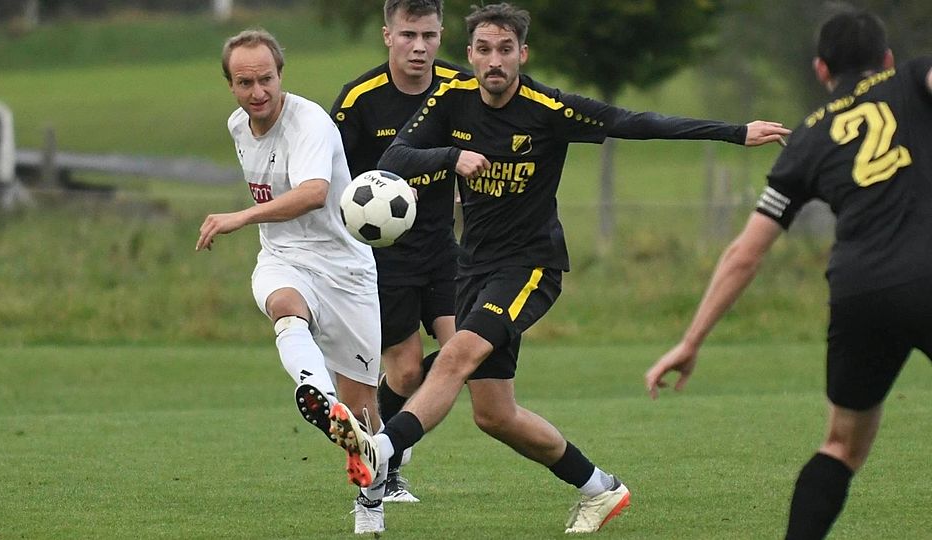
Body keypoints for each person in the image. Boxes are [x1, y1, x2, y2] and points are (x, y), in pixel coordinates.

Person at [326, 2, 791, 534]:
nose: (494, 60)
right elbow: (395, 158)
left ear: (522, 54)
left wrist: (734, 132)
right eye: (484, 49)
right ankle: (601, 489)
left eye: (505, 49)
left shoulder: (548, 107)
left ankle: (382, 451)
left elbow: (632, 122)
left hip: (529, 269)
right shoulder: (449, 100)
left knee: (453, 355)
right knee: (495, 416)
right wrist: (449, 158)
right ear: (470, 54)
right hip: (474, 267)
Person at [645, 8, 932, 539]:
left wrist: (690, 341)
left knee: (842, 447)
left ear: (822, 70)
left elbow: (745, 254)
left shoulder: (806, 139)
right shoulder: (913, 80)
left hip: (859, 292)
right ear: (886, 60)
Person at [196, 29, 387, 535]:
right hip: (284, 257)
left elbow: (312, 194)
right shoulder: (238, 126)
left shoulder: (311, 124)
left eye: (265, 80)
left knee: (366, 410)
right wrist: (258, 226)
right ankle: (316, 393)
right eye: (244, 82)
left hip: (345, 269)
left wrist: (240, 217)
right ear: (230, 84)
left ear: (281, 74)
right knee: (284, 304)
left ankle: (372, 497)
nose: (257, 92)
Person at [329, 0, 467, 504]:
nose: (420, 47)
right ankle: (388, 455)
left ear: (442, 35)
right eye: (408, 35)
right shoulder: (360, 99)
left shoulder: (459, 86)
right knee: (406, 372)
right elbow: (328, 170)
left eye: (429, 36)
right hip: (383, 257)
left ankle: (388, 444)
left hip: (442, 247)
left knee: (468, 352)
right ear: (388, 35)